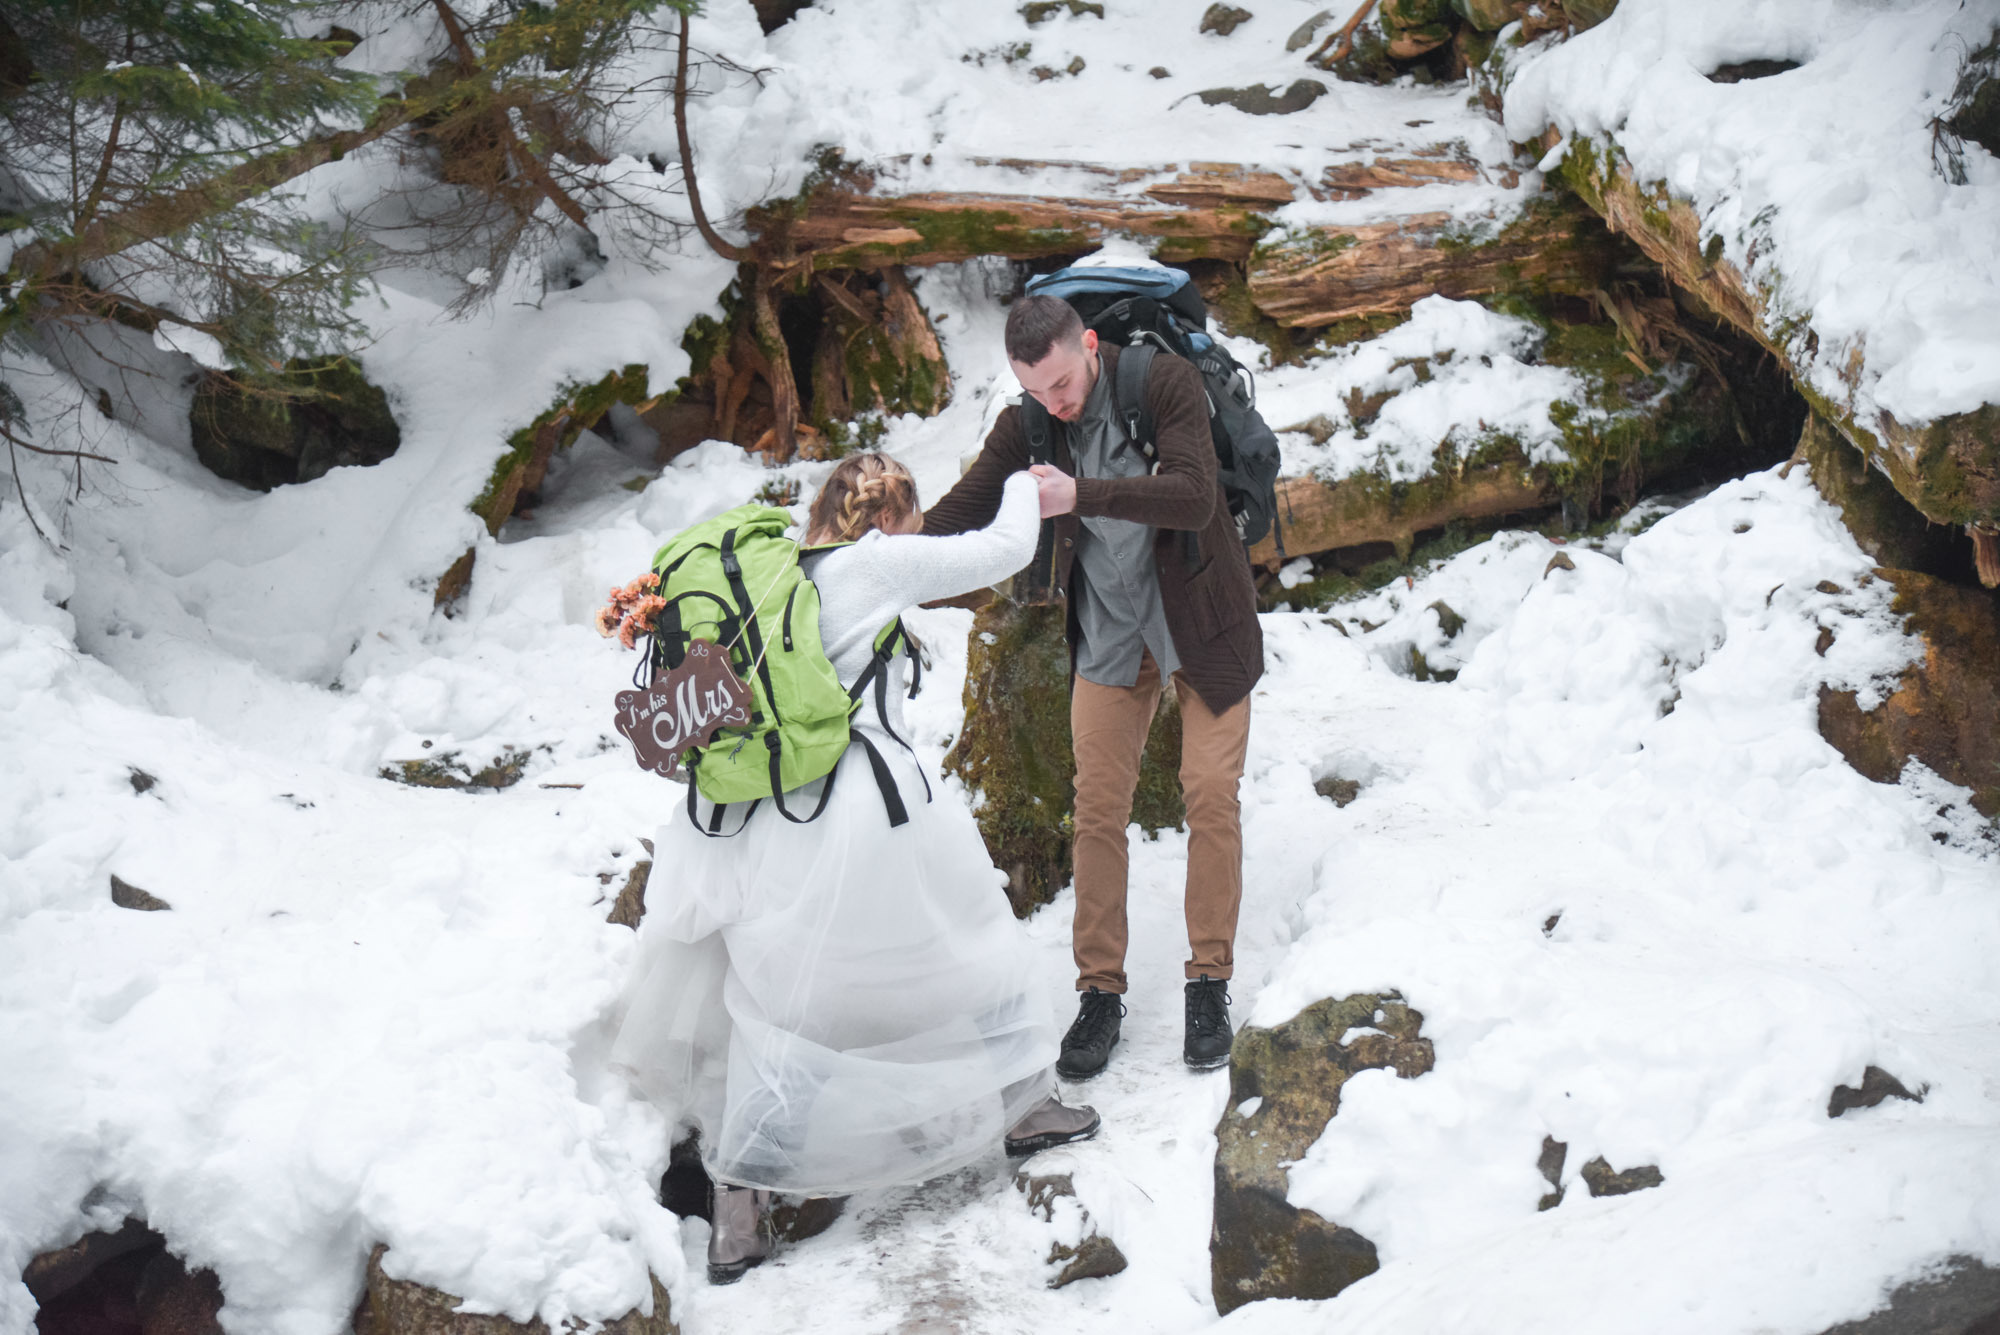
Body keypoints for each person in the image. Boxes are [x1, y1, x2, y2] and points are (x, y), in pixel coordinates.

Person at [611, 453, 1099, 1286]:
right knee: (976, 938)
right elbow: (1005, 549)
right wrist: (1030, 482)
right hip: (866, 813)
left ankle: (739, 1210)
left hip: (771, 821)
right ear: (890, 516)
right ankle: (1028, 1104)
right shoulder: (875, 561)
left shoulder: (785, 576)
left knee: (784, 1006)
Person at [920, 294, 1265, 1080]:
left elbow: (1192, 493)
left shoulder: (1164, 384)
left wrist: (1082, 494)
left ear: (1091, 345)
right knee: (1097, 807)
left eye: (1065, 383)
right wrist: (866, 558)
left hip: (1202, 620)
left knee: (1209, 791)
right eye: (1037, 390)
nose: (1056, 403)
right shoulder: (1032, 425)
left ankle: (1208, 979)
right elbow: (958, 515)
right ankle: (1099, 991)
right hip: (1110, 631)